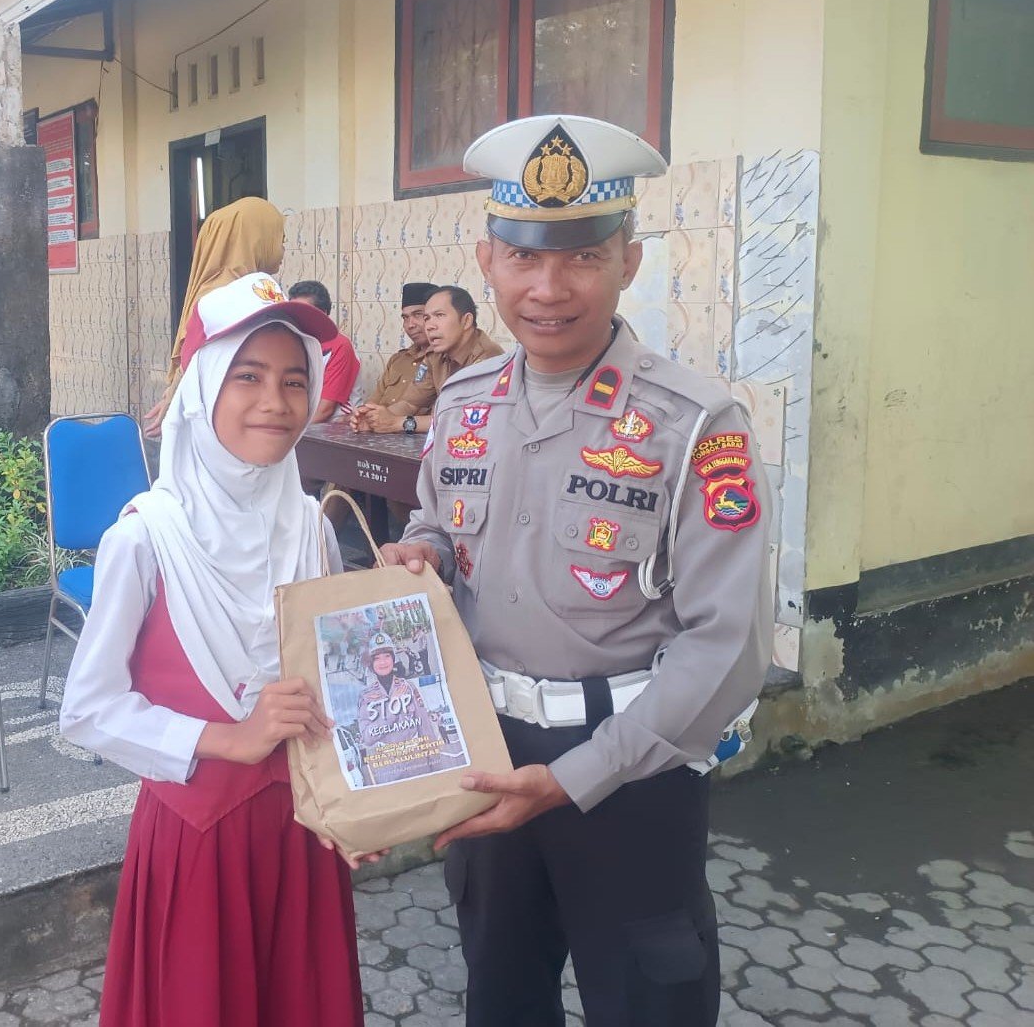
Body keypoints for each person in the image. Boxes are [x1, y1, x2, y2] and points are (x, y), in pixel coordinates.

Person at [379, 115, 772, 1026]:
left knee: (647, 1002)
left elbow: (729, 645)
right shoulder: (464, 401)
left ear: (627, 262)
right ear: (486, 259)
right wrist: (422, 553)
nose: (547, 289)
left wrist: (573, 778)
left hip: (630, 774)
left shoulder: (694, 422)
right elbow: (437, 522)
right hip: (484, 754)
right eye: (522, 258)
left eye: (584, 258)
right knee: (501, 994)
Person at [60, 272, 367, 1027]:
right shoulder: (145, 538)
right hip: (198, 838)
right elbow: (88, 710)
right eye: (248, 377)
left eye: (296, 380)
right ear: (200, 389)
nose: (275, 401)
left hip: (304, 833)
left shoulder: (311, 529)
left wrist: (368, 804)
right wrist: (227, 737)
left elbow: (336, 688)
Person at [142, 196, 287, 437]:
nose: (283, 248)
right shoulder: (227, 295)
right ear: (256, 239)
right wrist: (173, 398)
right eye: (279, 239)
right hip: (225, 426)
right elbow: (195, 357)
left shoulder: (246, 288)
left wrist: (173, 395)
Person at [348, 282, 440, 435]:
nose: (410, 325)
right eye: (405, 317)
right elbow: (373, 403)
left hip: (414, 442)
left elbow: (449, 420)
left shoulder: (445, 361)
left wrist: (393, 422)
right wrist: (364, 416)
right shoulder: (398, 360)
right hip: (378, 436)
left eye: (418, 315)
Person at [353, 632, 445, 786]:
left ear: (394, 658)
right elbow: (368, 738)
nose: (382, 662)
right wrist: (392, 710)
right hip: (388, 769)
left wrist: (436, 767)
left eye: (387, 656)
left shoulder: (408, 686)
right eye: (377, 658)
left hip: (417, 763)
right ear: (371, 663)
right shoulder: (366, 696)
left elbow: (425, 727)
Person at [288, 279, 361, 423]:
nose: (297, 318)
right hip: (304, 425)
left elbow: (325, 410)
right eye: (294, 312)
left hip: (336, 430)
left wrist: (291, 434)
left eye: (304, 312)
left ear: (323, 314)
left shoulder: (340, 345)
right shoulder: (294, 343)